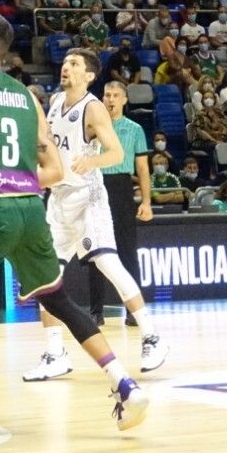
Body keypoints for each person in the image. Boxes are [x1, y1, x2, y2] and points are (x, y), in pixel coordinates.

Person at [0, 13, 147, 453]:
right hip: (29, 210)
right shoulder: (28, 97)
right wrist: (14, 181)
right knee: (58, 300)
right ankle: (124, 383)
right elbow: (54, 171)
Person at [25, 51, 168, 382]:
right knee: (44, 276)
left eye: (75, 64)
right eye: (65, 62)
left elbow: (117, 152)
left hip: (88, 196)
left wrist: (92, 161)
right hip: (59, 198)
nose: (65, 67)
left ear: (89, 76)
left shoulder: (93, 108)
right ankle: (55, 353)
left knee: (107, 263)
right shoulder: (57, 100)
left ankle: (151, 335)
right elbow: (47, 143)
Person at [95, 80, 153, 326]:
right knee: (95, 250)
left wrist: (147, 201)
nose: (110, 99)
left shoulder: (135, 129)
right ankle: (95, 310)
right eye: (107, 94)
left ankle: (132, 311)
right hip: (96, 185)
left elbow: (142, 167)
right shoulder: (93, 126)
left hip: (122, 187)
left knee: (128, 250)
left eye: (116, 95)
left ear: (125, 99)